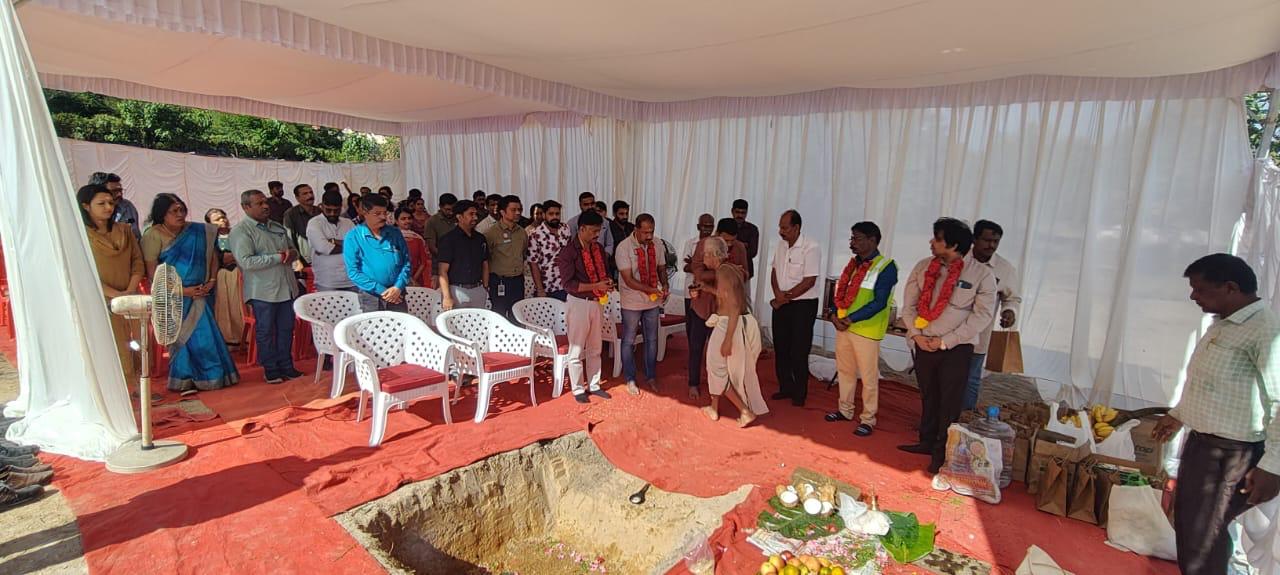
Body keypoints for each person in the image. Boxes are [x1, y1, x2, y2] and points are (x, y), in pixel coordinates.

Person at [1150, 254, 1280, 575]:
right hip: (1203, 445)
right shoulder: (1225, 323)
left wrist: (1272, 467)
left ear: (1230, 288)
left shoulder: (1264, 331)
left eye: (1199, 289)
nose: (1193, 296)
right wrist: (1179, 414)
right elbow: (1208, 383)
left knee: (1204, 535)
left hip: (1232, 454)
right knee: (1191, 527)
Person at [897, 218, 996, 473]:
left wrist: (946, 341)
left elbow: (981, 316)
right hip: (923, 343)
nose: (931, 242)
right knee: (928, 395)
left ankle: (942, 453)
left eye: (937, 239)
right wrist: (917, 336)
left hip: (956, 348)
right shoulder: (923, 267)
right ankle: (926, 441)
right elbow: (909, 306)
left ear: (953, 245)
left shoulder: (981, 274)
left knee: (949, 402)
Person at [142, 193, 240, 391]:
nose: (180, 214)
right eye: (174, 211)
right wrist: (183, 291)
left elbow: (213, 257)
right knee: (184, 339)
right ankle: (185, 379)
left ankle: (213, 377)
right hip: (175, 297)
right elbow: (153, 274)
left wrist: (211, 281)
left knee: (206, 337)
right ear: (162, 214)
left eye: (182, 210)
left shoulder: (200, 231)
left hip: (202, 292)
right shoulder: (153, 235)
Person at [825, 222, 898, 437]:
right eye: (851, 238)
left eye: (856, 239)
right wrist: (834, 315)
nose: (852, 243)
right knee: (845, 372)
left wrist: (850, 319)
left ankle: (868, 419)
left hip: (866, 331)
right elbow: (840, 294)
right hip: (844, 327)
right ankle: (845, 410)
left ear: (872, 240)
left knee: (868, 378)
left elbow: (879, 302)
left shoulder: (886, 267)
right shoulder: (853, 265)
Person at [229, 189, 302, 385]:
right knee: (266, 331)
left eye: (265, 202)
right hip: (262, 291)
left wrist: (292, 254)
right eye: (259, 203)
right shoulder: (241, 231)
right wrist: (278, 257)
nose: (265, 206)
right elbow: (246, 262)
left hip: (286, 286)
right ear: (246, 207)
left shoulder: (276, 226)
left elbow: (293, 250)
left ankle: (287, 365)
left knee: (286, 329)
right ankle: (271, 369)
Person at [78, 183, 145, 389]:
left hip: (130, 297)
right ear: (86, 206)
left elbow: (137, 262)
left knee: (139, 343)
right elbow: (83, 271)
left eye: (111, 202)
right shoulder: (80, 235)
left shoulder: (125, 230)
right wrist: (115, 295)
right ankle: (118, 391)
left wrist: (129, 290)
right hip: (100, 298)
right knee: (112, 345)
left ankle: (139, 387)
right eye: (102, 203)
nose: (108, 207)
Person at [700, 236, 769, 426]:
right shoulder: (729, 269)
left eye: (705, 254)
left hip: (728, 324)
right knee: (716, 367)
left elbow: (734, 305)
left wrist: (728, 339)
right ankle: (714, 407)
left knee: (717, 368)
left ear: (713, 254)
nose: (703, 258)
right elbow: (727, 296)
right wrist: (707, 288)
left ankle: (745, 411)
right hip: (733, 323)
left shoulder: (724, 272)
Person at [962, 219, 1022, 410]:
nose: (991, 245)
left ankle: (964, 418)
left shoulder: (1005, 269)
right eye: (987, 240)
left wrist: (1009, 312)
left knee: (971, 378)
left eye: (996, 241)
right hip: (950, 330)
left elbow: (1012, 298)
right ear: (974, 239)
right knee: (946, 375)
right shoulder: (960, 259)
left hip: (979, 335)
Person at [556, 209, 614, 404]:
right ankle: (578, 388)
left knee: (596, 347)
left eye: (599, 230)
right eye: (593, 231)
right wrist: (596, 286)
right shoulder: (568, 252)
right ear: (581, 229)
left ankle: (595, 384)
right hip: (578, 303)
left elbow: (604, 272)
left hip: (597, 302)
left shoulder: (599, 249)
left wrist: (607, 283)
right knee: (576, 348)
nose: (597, 235)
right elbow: (568, 284)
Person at [688, 218, 749, 399]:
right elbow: (698, 273)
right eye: (726, 240)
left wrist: (733, 273)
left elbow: (745, 274)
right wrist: (725, 271)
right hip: (702, 305)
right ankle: (693, 383)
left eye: (732, 241)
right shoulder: (704, 245)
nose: (728, 245)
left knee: (724, 352)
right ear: (717, 234)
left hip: (725, 310)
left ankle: (724, 388)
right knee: (696, 347)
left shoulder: (740, 248)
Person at [769, 210, 822, 406]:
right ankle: (785, 387)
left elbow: (809, 281)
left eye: (785, 228)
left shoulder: (811, 247)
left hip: (803, 305)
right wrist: (778, 294)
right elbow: (774, 271)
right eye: (780, 227)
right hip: (781, 302)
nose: (781, 232)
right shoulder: (781, 245)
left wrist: (784, 298)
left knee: (799, 350)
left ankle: (799, 393)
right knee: (781, 347)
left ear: (796, 227)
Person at [614, 213, 668, 395]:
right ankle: (630, 378)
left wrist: (665, 285)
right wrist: (651, 290)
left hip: (651, 301)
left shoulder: (657, 244)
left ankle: (650, 375)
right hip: (631, 301)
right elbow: (628, 280)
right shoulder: (623, 248)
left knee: (652, 339)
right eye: (645, 232)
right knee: (629, 340)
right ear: (636, 230)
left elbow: (661, 268)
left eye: (651, 232)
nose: (649, 236)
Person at [344, 195, 411, 313]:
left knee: (401, 324)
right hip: (372, 296)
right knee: (374, 325)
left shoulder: (395, 233)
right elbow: (353, 272)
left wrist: (398, 286)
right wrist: (382, 291)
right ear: (365, 212)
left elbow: (406, 262)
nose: (383, 217)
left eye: (385, 213)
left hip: (397, 293)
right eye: (377, 213)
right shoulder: (353, 237)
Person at [438, 200, 489, 310]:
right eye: (471, 214)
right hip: (456, 290)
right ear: (459, 217)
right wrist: (447, 297)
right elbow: (442, 270)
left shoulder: (480, 238)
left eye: (476, 214)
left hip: (478, 289)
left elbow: (485, 263)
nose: (475, 217)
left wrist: (485, 287)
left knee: (478, 320)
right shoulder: (448, 239)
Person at [204, 208, 245, 344]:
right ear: (209, 224)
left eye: (224, 217)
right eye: (217, 219)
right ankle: (229, 338)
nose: (223, 220)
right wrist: (235, 256)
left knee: (242, 307)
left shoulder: (238, 233)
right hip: (222, 277)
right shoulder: (209, 239)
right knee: (226, 307)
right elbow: (220, 258)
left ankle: (246, 336)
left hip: (242, 275)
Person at [483, 195, 528, 319]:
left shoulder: (522, 232)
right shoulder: (491, 233)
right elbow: (485, 258)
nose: (518, 213)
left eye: (519, 209)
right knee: (499, 316)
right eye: (513, 210)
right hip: (499, 281)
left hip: (518, 280)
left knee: (517, 316)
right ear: (502, 212)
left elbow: (523, 253)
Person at [306, 189, 357, 293]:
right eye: (328, 210)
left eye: (336, 210)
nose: (332, 214)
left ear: (341, 207)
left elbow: (358, 245)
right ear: (322, 206)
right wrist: (348, 246)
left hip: (351, 280)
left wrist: (333, 241)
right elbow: (322, 247)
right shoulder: (314, 223)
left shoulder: (348, 223)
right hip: (327, 282)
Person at [528, 200, 572, 301]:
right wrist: (540, 289)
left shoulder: (565, 229)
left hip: (566, 283)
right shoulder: (535, 234)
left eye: (557, 214)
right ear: (544, 215)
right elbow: (533, 263)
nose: (555, 217)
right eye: (551, 214)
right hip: (547, 287)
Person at [683, 213, 715, 334]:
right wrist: (705, 266)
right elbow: (685, 267)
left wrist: (695, 263)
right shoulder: (690, 243)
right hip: (691, 290)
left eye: (710, 226)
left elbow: (717, 268)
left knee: (711, 327)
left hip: (710, 291)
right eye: (704, 226)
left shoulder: (716, 244)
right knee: (691, 326)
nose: (707, 229)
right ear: (698, 226)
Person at [89, 172, 140, 239]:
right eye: (114, 191)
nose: (119, 194)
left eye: (120, 190)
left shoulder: (127, 206)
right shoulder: (90, 211)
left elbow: (136, 235)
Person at [282, 183, 319, 267]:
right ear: (297, 198)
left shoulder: (319, 211)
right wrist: (297, 260)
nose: (310, 195)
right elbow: (289, 239)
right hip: (305, 260)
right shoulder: (291, 214)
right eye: (305, 194)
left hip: (321, 256)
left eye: (311, 192)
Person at [395, 205, 431, 287]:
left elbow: (423, 262)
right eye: (403, 219)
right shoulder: (391, 238)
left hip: (416, 280)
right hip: (396, 280)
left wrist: (413, 279)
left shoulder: (418, 238)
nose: (407, 221)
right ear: (396, 221)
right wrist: (405, 279)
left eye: (409, 218)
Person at [731, 199, 760, 298]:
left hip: (745, 272)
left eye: (743, 213)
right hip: (726, 272)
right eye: (737, 212)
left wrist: (733, 245)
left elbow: (752, 252)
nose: (740, 215)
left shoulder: (752, 229)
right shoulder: (725, 226)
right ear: (732, 211)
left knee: (744, 302)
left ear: (747, 213)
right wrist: (742, 245)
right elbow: (721, 248)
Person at [423, 193, 458, 277]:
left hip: (458, 265)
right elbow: (432, 247)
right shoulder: (432, 221)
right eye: (447, 209)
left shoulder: (458, 218)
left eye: (453, 209)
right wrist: (448, 258)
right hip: (439, 265)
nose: (451, 212)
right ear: (440, 206)